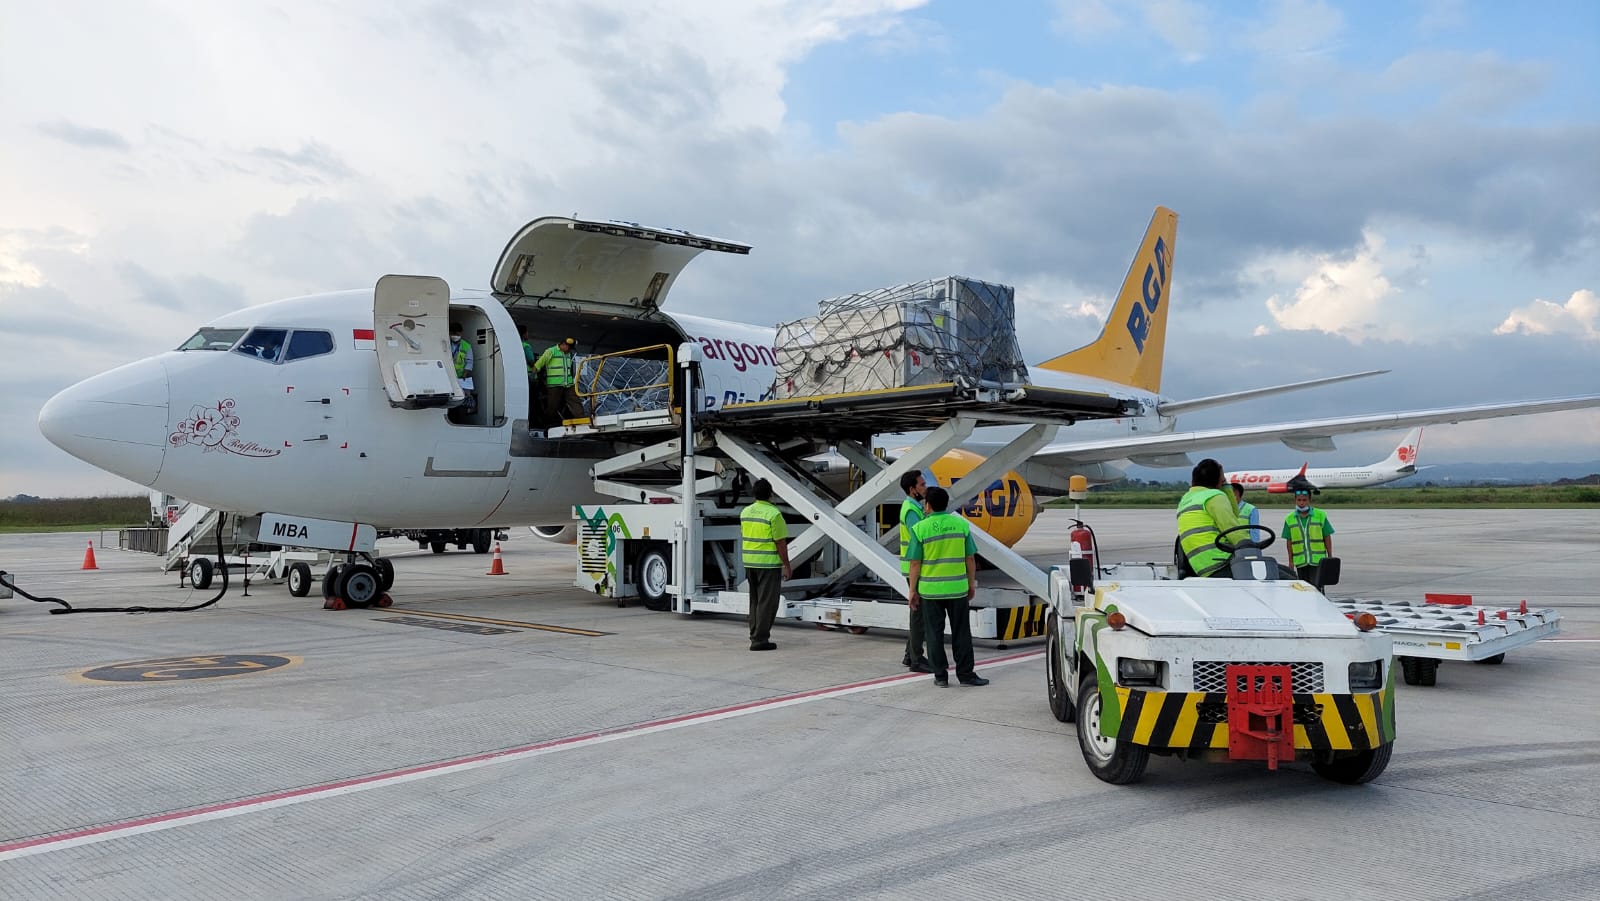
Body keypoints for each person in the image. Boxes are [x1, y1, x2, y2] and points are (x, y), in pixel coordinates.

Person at [907, 486, 988, 687]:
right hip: (957, 589)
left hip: (931, 591)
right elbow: (970, 558)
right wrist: (971, 584)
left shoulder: (920, 528)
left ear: (928, 505)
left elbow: (915, 563)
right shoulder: (961, 525)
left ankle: (940, 676)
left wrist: (912, 591)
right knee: (962, 632)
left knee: (934, 634)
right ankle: (966, 674)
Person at [740, 478, 791, 651]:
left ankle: (754, 634)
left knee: (754, 601)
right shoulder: (773, 514)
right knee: (767, 603)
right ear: (771, 494)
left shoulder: (745, 512)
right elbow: (780, 543)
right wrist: (787, 565)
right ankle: (760, 640)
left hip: (750, 563)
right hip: (768, 565)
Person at [1176, 458, 1245, 578]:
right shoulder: (1214, 497)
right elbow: (1233, 528)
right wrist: (1248, 545)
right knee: (1283, 576)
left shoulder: (1186, 499)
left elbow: (1233, 515)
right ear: (1219, 480)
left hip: (1201, 566)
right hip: (1222, 562)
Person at [897, 470, 933, 674]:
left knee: (918, 613)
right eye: (921, 485)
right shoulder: (911, 510)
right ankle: (917, 659)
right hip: (914, 569)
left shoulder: (914, 507)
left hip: (914, 567)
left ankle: (910, 654)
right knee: (919, 614)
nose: (925, 488)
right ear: (912, 490)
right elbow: (919, 538)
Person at [1284, 487, 1335, 582]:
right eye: (1299, 500)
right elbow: (1289, 541)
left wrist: (1330, 556)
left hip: (1317, 560)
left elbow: (1327, 536)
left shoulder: (1320, 515)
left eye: (1304, 500)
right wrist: (1291, 561)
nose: (1302, 503)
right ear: (1295, 500)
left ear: (1309, 500)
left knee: (1317, 587)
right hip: (1300, 561)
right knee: (1304, 588)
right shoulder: (1289, 518)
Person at [534, 336, 584, 425]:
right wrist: (533, 373)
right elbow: (540, 363)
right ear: (563, 345)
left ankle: (582, 420)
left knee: (575, 401)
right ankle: (547, 423)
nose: (570, 350)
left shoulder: (567, 353)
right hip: (555, 384)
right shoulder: (551, 351)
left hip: (568, 384)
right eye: (569, 348)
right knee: (553, 405)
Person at [449, 321, 475, 418]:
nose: (455, 336)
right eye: (452, 333)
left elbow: (469, 362)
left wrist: (464, 374)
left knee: (460, 400)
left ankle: (457, 418)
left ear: (461, 333)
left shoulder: (466, 346)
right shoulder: (445, 343)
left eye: (457, 334)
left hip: (460, 378)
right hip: (448, 377)